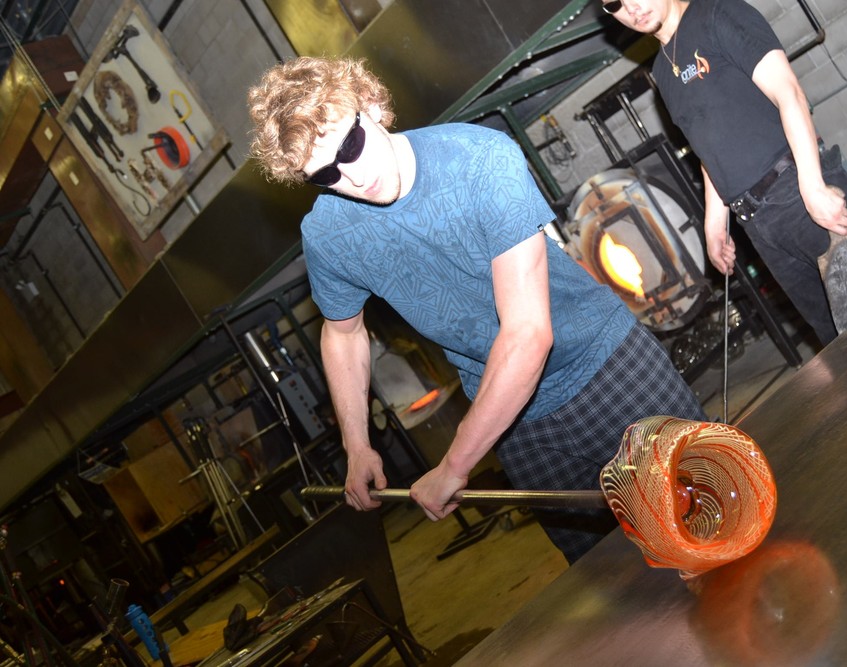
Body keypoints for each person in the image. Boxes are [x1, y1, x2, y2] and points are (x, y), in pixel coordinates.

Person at [247, 56, 706, 563]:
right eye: (326, 174)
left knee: (709, 511)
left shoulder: (481, 160)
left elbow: (528, 334)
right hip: (513, 422)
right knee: (605, 571)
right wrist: (356, 445)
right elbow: (342, 334)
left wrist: (455, 464)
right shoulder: (328, 235)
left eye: (349, 146)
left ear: (371, 105)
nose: (351, 176)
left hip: (608, 367)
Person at [603, 0, 847, 345]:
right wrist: (715, 224)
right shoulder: (662, 71)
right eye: (615, 3)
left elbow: (788, 92)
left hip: (796, 191)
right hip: (757, 224)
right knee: (841, 343)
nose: (631, 7)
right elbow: (708, 147)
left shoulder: (717, 13)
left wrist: (813, 187)